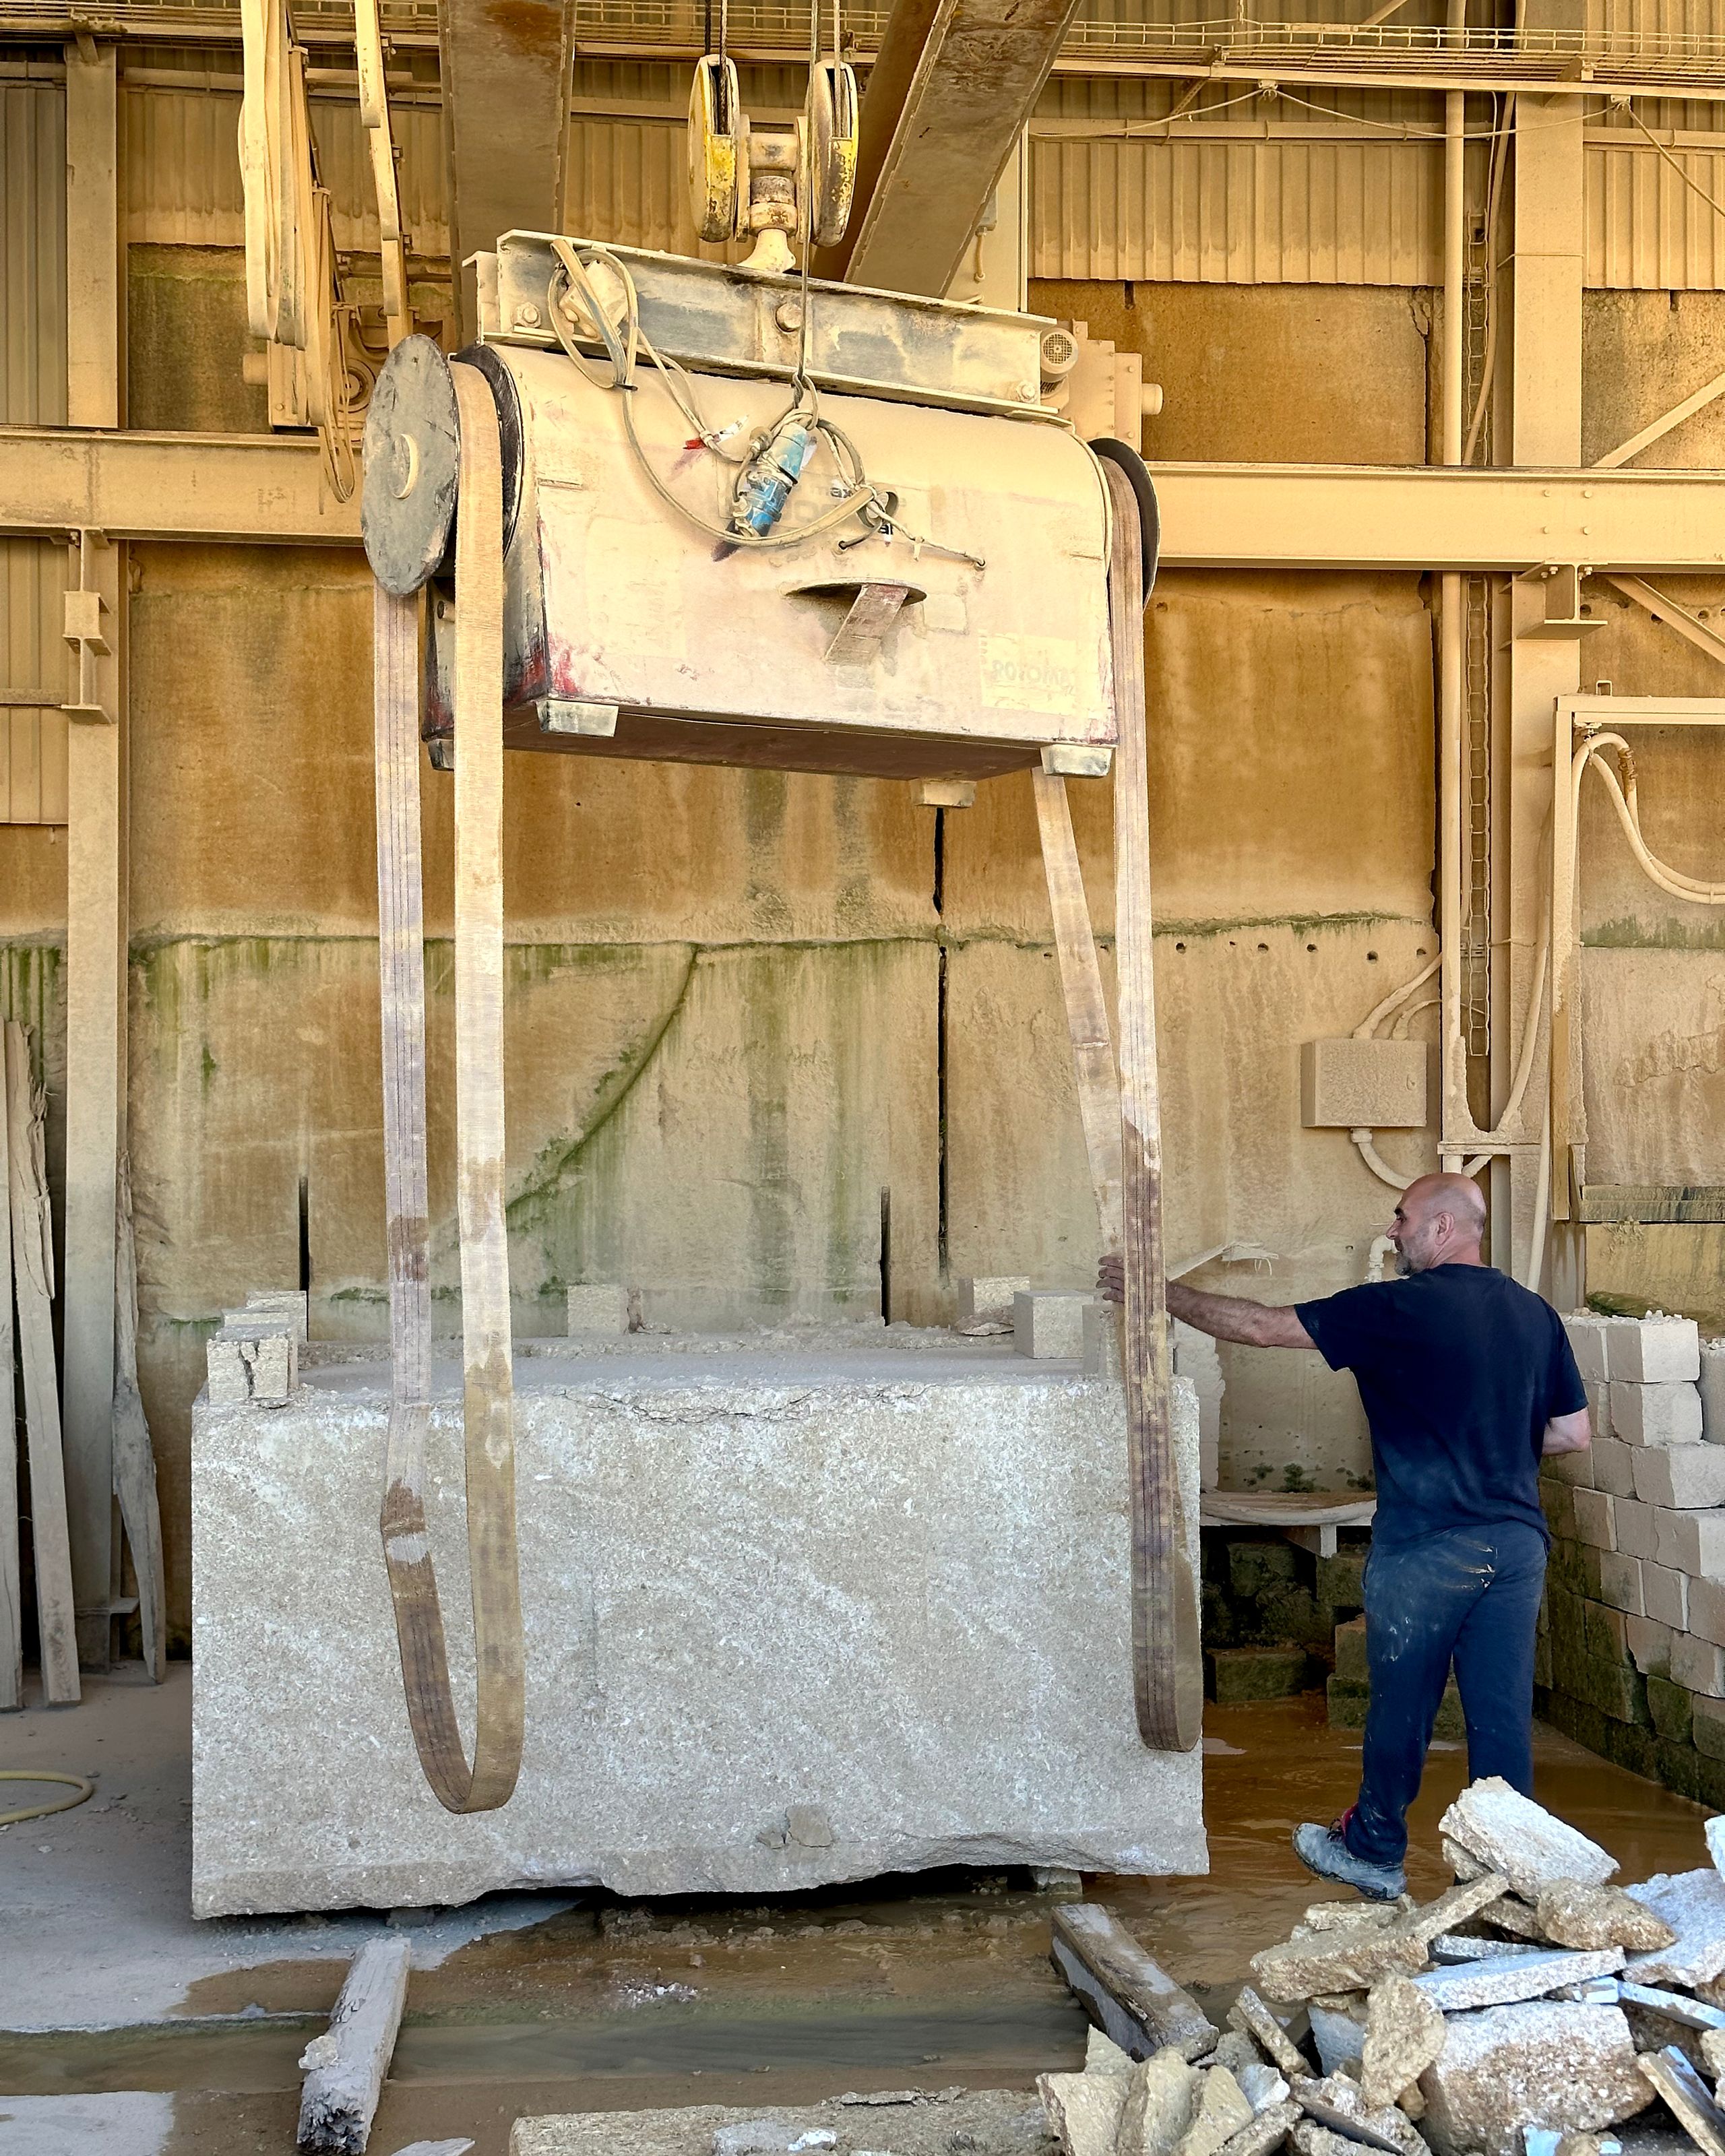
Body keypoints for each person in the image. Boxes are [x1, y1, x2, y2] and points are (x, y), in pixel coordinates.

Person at [1102, 1172, 1591, 1902]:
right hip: (1516, 1546)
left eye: (1402, 1218)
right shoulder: (1533, 1314)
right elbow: (1569, 1433)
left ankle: (1372, 1850)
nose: (1392, 1231)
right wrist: (1489, 1443)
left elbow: (1262, 1326)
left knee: (1402, 1703)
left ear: (1441, 1229)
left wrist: (1158, 1291)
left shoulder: (1397, 1307)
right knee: (1500, 1718)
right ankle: (1509, 1879)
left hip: (1428, 1544)